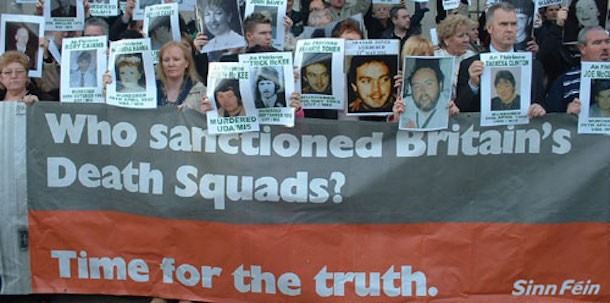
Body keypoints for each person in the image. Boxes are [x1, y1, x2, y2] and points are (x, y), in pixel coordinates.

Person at [455, 2, 546, 118]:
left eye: (513, 24)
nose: (510, 29)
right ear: (490, 28)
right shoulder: (470, 65)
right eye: (503, 24)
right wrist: (473, 85)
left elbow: (542, 103)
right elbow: (461, 111)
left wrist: (538, 108)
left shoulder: (534, 67)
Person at [546, 26, 610, 114]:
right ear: (582, 48)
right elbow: (551, 119)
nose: (605, 47)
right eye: (597, 43)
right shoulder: (565, 81)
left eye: (608, 42)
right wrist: (567, 115)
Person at [156, 41, 207, 111]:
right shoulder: (151, 90)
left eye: (176, 59)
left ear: (186, 63)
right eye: (166, 60)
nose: (171, 64)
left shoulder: (200, 91)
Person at [434, 14, 476, 99]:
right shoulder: (435, 58)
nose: (466, 40)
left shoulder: (472, 56)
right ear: (446, 40)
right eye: (461, 36)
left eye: (467, 35)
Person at [400, 59, 448, 129]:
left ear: (440, 86)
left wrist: (455, 118)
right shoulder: (403, 105)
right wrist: (396, 120)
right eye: (416, 86)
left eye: (428, 84)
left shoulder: (448, 106)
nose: (423, 92)